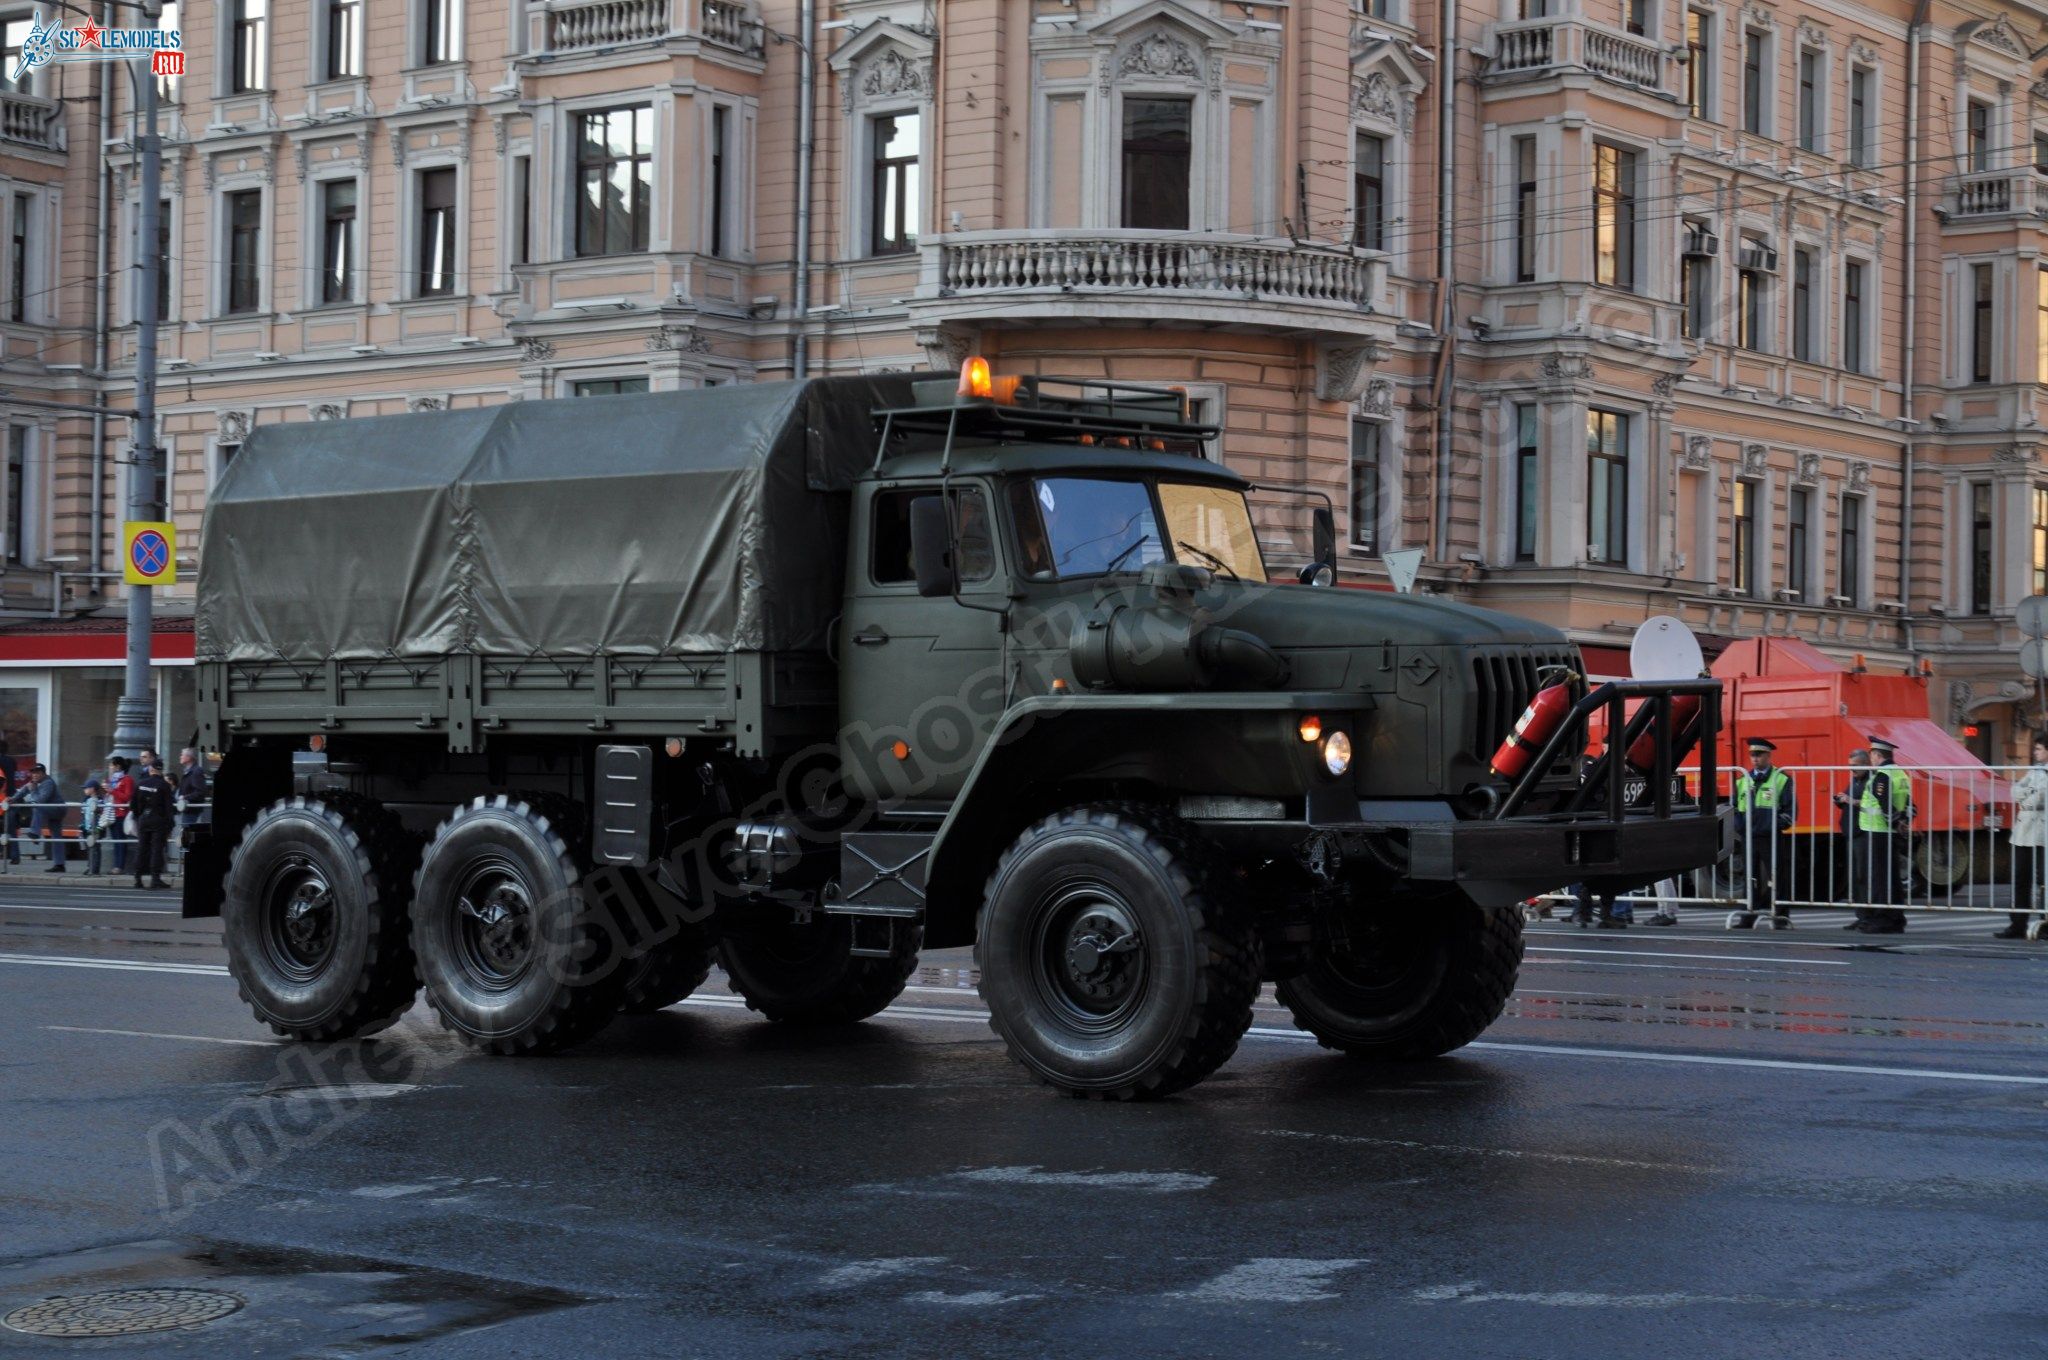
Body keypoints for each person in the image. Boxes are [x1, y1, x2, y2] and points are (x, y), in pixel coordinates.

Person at [1730, 738, 1796, 929]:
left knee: (1777, 876)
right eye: (1752, 755)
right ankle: (1747, 916)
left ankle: (1780, 916)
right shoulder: (1743, 780)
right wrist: (1740, 827)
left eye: (1759, 755)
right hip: (1749, 836)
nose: (1755, 759)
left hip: (1771, 837)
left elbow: (1790, 810)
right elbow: (1735, 808)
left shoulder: (1781, 779)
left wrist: (1774, 825)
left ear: (1768, 755)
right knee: (1750, 877)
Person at [1852, 736, 1912, 934]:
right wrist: (1903, 823)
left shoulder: (1882, 775)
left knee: (1879, 879)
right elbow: (1910, 804)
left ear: (1877, 755)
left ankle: (1881, 919)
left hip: (1877, 831)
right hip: (1890, 832)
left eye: (1872, 755)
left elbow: (1884, 803)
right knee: (1892, 878)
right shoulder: (1900, 774)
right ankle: (1896, 918)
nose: (1871, 759)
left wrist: (1894, 822)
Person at [1999, 737, 2048, 940]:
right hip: (2025, 827)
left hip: (2043, 829)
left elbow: (2042, 796)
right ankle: (2017, 924)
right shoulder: (2035, 770)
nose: (2035, 752)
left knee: (2044, 880)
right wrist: (2029, 792)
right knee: (2021, 878)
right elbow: (2014, 791)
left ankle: (2045, 924)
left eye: (2038, 749)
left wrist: (2028, 794)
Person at [1832, 749, 1869, 920]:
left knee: (1862, 875)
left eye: (1855, 766)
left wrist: (1850, 800)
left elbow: (1872, 804)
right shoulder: (1855, 780)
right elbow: (1850, 802)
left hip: (1862, 833)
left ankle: (1867, 916)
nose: (1852, 770)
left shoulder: (1871, 781)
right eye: (1850, 766)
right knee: (1854, 877)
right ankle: (1860, 916)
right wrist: (1840, 801)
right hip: (1851, 832)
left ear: (1865, 764)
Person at [129, 757, 174, 890]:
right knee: (156, 849)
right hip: (159, 820)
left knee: (142, 849)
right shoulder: (164, 786)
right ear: (161, 771)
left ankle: (137, 878)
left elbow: (133, 805)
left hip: (144, 819)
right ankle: (155, 879)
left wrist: (139, 816)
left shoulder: (141, 783)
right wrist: (170, 825)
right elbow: (168, 808)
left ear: (151, 769)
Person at [22, 764, 66, 872]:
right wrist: (11, 799)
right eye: (33, 773)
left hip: (58, 810)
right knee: (56, 837)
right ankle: (59, 865)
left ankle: (35, 833)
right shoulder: (34, 783)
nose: (34, 775)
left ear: (43, 774)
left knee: (37, 807)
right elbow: (23, 791)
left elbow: (40, 800)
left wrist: (33, 790)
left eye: (37, 773)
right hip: (49, 810)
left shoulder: (48, 783)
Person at [104, 756, 134, 875]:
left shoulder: (127, 779)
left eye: (111, 765)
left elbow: (127, 797)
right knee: (115, 840)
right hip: (111, 812)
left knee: (120, 840)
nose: (110, 768)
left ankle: (119, 866)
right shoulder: (111, 780)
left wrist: (112, 790)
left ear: (118, 766)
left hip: (121, 813)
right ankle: (116, 865)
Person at [78, 778, 108, 876]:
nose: (84, 790)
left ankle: (95, 868)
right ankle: (90, 866)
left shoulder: (100, 800)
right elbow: (83, 814)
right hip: (87, 827)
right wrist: (81, 826)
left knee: (95, 848)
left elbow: (102, 814)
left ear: (93, 789)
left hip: (96, 828)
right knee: (89, 848)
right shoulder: (85, 800)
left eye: (86, 788)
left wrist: (99, 828)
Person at [175, 747, 209, 829]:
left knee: (186, 832)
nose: (180, 757)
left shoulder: (196, 771)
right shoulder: (189, 771)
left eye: (182, 755)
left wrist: (184, 797)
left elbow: (200, 792)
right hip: (186, 808)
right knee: (184, 832)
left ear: (189, 757)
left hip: (191, 809)